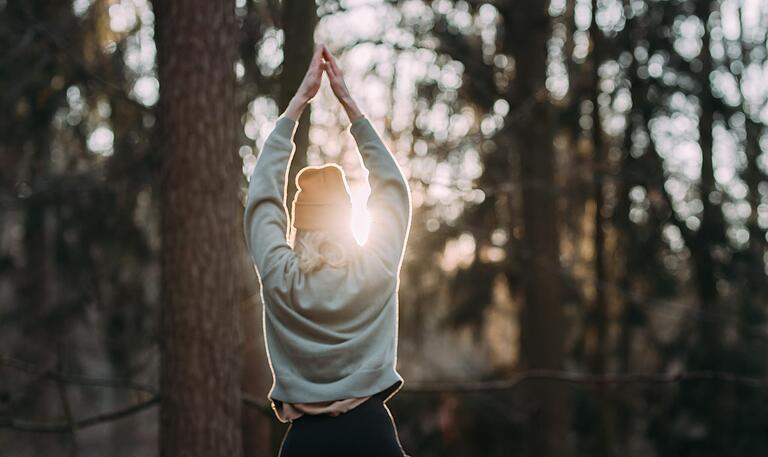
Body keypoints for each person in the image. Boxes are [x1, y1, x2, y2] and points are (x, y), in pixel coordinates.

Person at [243, 44, 412, 457]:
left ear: (297, 226)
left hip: (306, 444)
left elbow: (262, 198)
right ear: (346, 217)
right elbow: (393, 190)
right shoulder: (375, 268)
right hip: (372, 437)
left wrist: (294, 110)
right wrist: (351, 108)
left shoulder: (280, 275)